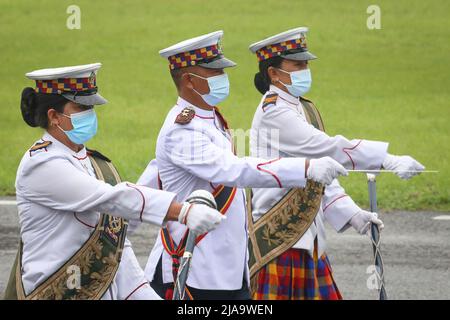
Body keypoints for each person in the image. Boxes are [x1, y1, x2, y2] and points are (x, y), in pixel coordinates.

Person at [142, 30, 350, 300]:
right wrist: (304, 168)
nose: (223, 78)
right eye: (213, 72)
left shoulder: (210, 119)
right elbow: (233, 169)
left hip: (225, 266)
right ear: (189, 80)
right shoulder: (181, 130)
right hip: (196, 267)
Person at [4, 63, 223, 300]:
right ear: (54, 116)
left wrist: (144, 294)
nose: (90, 114)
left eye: (91, 107)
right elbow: (113, 198)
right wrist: (183, 212)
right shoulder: (42, 165)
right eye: (81, 107)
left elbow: (114, 246)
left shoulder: (91, 162)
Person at [247, 27, 425, 299]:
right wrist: (385, 159)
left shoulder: (303, 107)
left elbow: (320, 172)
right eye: (297, 65)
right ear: (273, 73)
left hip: (308, 238)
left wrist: (351, 213)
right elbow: (329, 149)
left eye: (306, 64)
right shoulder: (274, 112)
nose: (305, 69)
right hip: (280, 238)